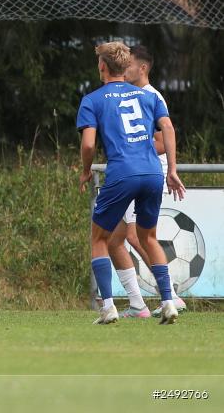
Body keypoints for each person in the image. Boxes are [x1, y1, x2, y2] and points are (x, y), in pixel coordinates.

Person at [77, 41, 186, 325]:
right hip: (152, 173)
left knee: (99, 238)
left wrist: (86, 170)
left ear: (102, 66)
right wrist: (172, 169)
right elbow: (169, 128)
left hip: (123, 173)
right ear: (125, 66)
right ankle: (167, 302)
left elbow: (88, 145)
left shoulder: (93, 99)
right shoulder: (148, 97)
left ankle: (109, 307)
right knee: (149, 237)